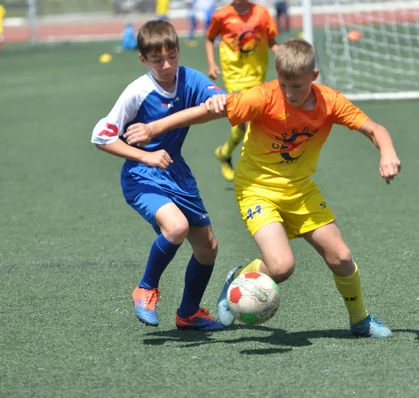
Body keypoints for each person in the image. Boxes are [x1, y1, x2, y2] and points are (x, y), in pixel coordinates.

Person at [124, 39, 401, 338]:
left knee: (342, 258)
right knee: (281, 267)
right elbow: (206, 113)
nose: (289, 93)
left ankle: (360, 321)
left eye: (297, 85)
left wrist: (387, 152)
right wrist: (154, 128)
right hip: (257, 189)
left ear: (314, 76)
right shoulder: (262, 97)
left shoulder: (330, 101)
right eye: (283, 85)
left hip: (300, 190)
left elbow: (375, 129)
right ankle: (238, 285)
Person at [90, 20, 225, 331]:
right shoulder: (137, 92)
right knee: (176, 227)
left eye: (173, 56)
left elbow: (216, 96)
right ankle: (145, 288)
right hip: (141, 174)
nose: (167, 65)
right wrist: (145, 155)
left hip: (176, 173)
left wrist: (218, 98)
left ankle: (188, 314)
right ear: (143, 60)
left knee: (208, 248)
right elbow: (101, 135)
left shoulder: (189, 79)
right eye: (157, 60)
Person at [205, 0, 279, 181]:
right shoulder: (221, 15)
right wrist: (212, 64)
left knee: (243, 124)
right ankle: (257, 171)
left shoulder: (262, 13)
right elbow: (209, 38)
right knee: (248, 122)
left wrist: (284, 54)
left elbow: (271, 42)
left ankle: (224, 153)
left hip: (256, 74)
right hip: (234, 75)